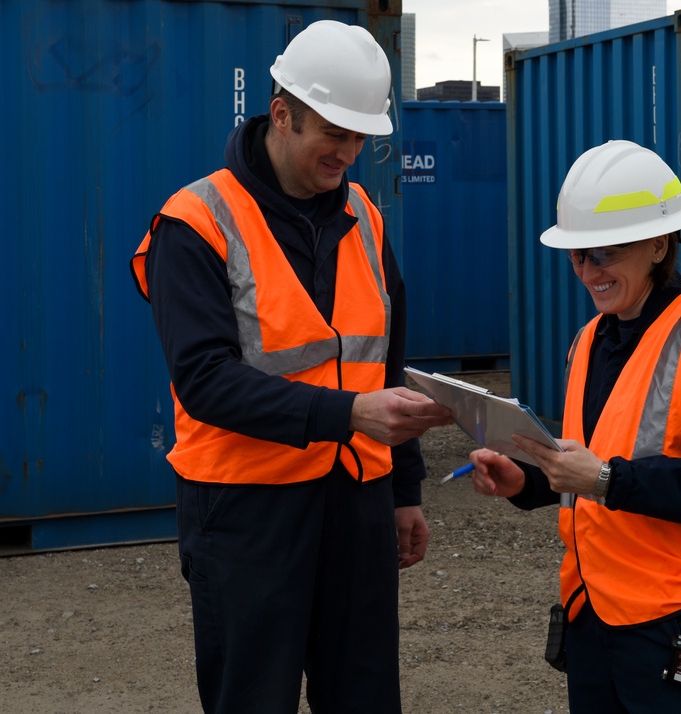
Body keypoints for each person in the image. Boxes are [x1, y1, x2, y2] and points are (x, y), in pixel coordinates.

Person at [129, 20, 452, 714]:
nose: (350, 153)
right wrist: (348, 415)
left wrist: (405, 489)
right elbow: (205, 380)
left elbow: (385, 359)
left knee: (364, 698)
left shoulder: (365, 215)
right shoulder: (195, 223)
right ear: (282, 114)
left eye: (362, 137)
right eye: (334, 134)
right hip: (247, 511)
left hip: (358, 504)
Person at [468, 140, 681, 713]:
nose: (590, 271)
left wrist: (608, 480)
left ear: (659, 244)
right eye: (578, 256)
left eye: (605, 253)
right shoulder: (591, 341)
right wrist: (528, 482)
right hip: (595, 618)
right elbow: (589, 463)